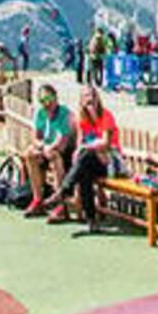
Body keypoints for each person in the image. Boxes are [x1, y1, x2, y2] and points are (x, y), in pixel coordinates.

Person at [55, 85, 120, 228]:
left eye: (92, 96)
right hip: (91, 161)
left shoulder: (106, 116)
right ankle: (91, 218)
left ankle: (65, 189)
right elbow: (79, 144)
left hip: (110, 162)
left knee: (86, 155)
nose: (90, 99)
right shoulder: (82, 119)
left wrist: (85, 148)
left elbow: (106, 143)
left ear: (97, 98)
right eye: (86, 97)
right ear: (82, 101)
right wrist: (79, 152)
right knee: (85, 173)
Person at [20, 84, 72, 218]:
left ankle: (61, 205)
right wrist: (41, 146)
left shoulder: (64, 113)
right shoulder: (40, 114)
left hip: (63, 152)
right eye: (42, 100)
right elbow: (35, 136)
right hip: (46, 149)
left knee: (54, 156)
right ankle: (38, 199)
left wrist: (49, 148)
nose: (46, 104)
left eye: (48, 99)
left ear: (55, 98)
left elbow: (62, 140)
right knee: (29, 154)